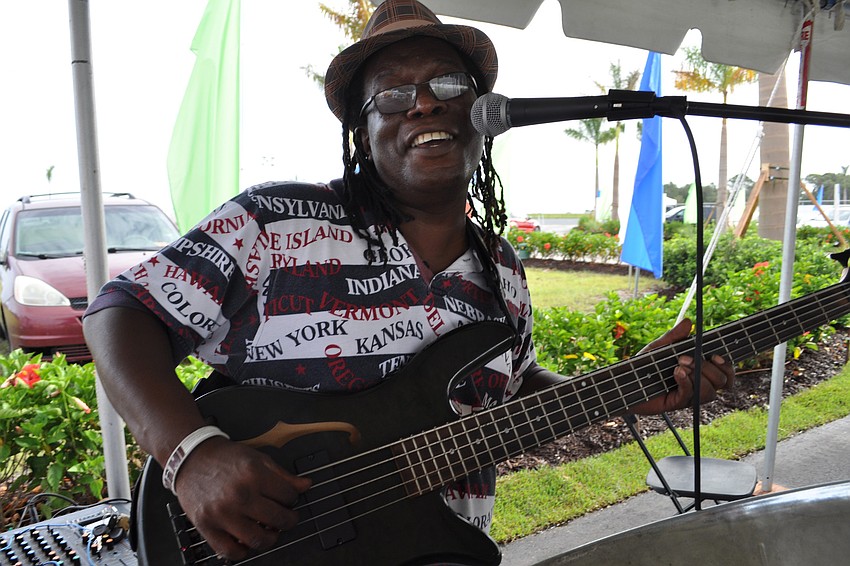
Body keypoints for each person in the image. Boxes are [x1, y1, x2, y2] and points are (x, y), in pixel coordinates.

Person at [83, 0, 734, 562]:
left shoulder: (502, 267)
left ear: (482, 114)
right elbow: (121, 312)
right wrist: (190, 454)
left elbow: (510, 386)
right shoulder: (275, 222)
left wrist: (628, 390)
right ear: (363, 134)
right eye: (392, 95)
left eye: (448, 83)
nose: (424, 102)